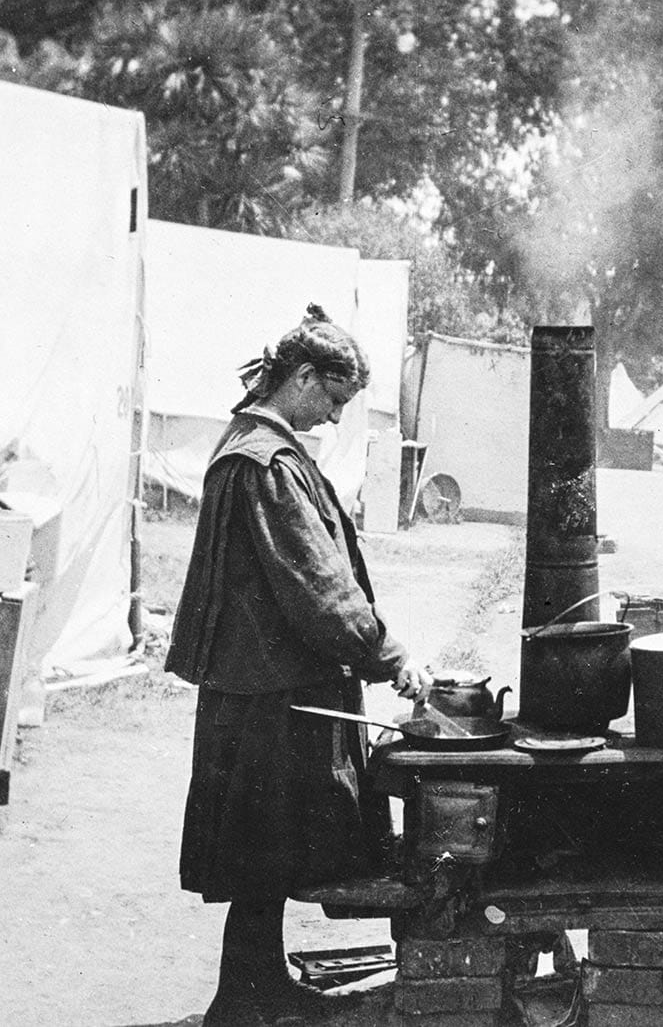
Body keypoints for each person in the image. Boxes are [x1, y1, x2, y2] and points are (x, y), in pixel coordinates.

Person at [165, 304, 431, 1027]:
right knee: (264, 846)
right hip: (270, 693)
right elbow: (317, 587)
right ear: (304, 377)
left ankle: (256, 987)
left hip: (261, 686)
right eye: (335, 400)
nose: (337, 418)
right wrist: (388, 654)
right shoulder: (267, 463)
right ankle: (245, 997)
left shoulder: (254, 446)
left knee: (265, 848)